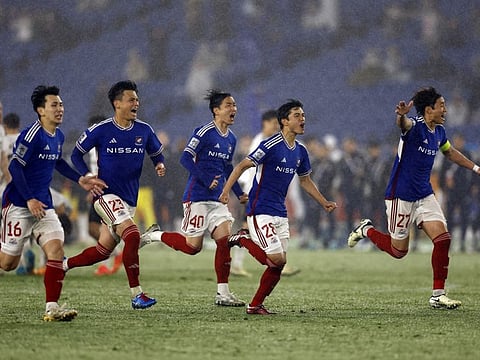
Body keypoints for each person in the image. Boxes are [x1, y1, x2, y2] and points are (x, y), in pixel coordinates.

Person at [347, 87, 480, 309]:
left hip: (424, 194)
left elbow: (449, 152)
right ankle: (365, 229)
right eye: (442, 106)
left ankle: (438, 295)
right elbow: (404, 125)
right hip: (401, 195)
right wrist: (400, 115)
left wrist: (475, 168)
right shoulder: (415, 127)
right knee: (399, 251)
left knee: (443, 239)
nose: (445, 110)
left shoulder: (439, 131)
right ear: (429, 110)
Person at [219, 99, 337, 315]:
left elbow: (305, 180)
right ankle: (242, 238)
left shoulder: (300, 151)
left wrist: (324, 202)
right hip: (259, 208)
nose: (303, 119)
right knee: (276, 259)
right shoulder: (270, 145)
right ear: (284, 121)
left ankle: (255, 305)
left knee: (278, 265)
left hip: (280, 212)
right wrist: (227, 191)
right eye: (297, 116)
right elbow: (242, 166)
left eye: (303, 115)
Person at [0, 85, 106, 321]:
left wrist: (80, 179)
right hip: (19, 204)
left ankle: (52, 307)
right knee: (7, 264)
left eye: (61, 104)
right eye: (54, 105)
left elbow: (57, 162)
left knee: (56, 251)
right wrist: (29, 199)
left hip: (44, 206)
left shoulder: (57, 135)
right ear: (40, 110)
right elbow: (15, 166)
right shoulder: (31, 135)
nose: (60, 109)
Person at [63, 80, 166, 310]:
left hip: (128, 199)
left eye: (137, 99)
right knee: (131, 235)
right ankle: (137, 295)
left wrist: (159, 164)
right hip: (106, 196)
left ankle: (63, 265)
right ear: (117, 103)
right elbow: (76, 155)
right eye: (131, 99)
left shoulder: (144, 130)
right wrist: (88, 176)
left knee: (102, 251)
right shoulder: (101, 129)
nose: (136, 103)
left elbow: (157, 153)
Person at [140, 89, 248, 307]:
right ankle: (156, 235)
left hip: (217, 201)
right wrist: (207, 179)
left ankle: (223, 293)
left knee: (224, 242)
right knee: (192, 247)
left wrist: (239, 192)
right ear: (216, 110)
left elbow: (227, 168)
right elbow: (185, 158)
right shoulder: (204, 132)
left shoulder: (232, 139)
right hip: (196, 197)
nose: (233, 109)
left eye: (235, 105)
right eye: (229, 105)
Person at [234, 109, 300, 276]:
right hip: (255, 193)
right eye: (273, 124)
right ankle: (277, 262)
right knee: (249, 228)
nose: (276, 127)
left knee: (247, 228)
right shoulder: (260, 142)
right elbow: (250, 169)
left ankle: (237, 263)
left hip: (260, 193)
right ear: (265, 123)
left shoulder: (268, 141)